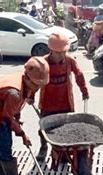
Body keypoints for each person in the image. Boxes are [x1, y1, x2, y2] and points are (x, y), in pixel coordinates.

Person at [35, 32, 89, 160]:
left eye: (63, 52)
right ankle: (43, 147)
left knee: (67, 128)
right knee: (44, 128)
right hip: (47, 102)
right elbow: (35, 80)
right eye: (58, 52)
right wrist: (30, 95)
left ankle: (64, 151)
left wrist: (84, 90)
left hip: (65, 101)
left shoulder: (70, 61)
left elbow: (79, 75)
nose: (61, 55)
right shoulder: (43, 62)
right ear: (51, 50)